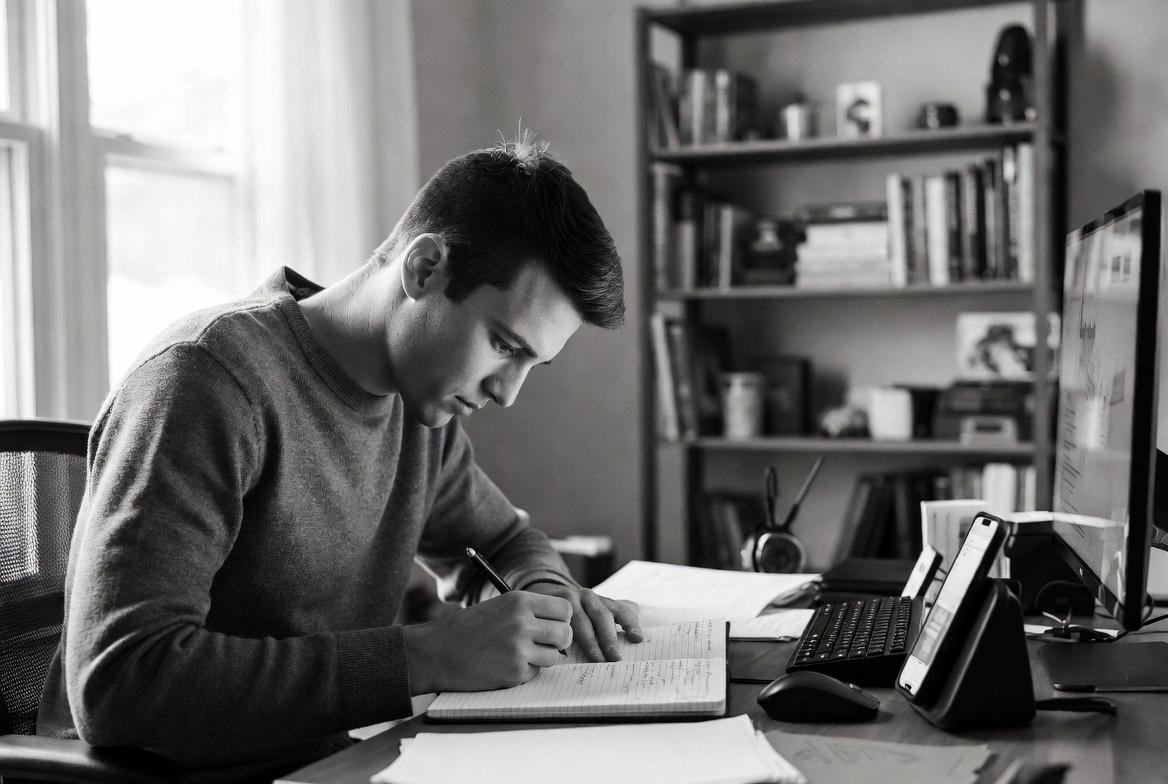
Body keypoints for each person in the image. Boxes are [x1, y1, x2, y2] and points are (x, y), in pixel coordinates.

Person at [37, 135, 643, 783]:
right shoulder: (208, 381)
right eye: (503, 345)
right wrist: (425, 658)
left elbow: (504, 537)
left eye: (533, 365)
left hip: (341, 760)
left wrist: (547, 596)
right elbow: (122, 684)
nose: (506, 391)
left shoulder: (420, 405)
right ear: (424, 268)